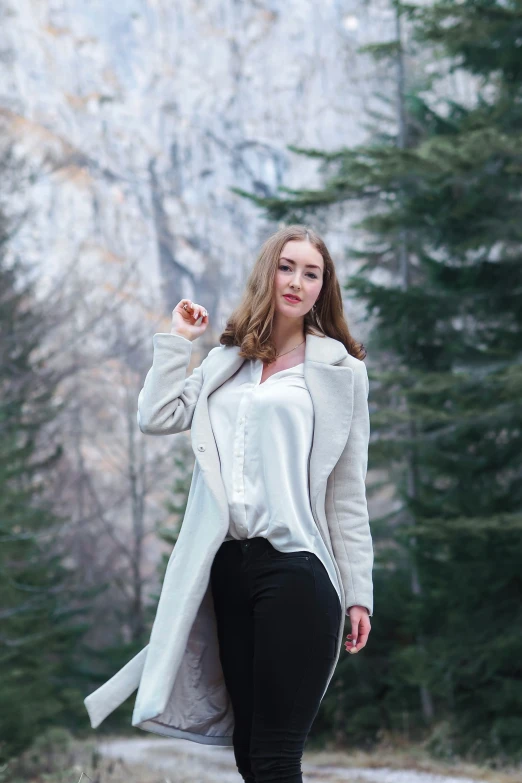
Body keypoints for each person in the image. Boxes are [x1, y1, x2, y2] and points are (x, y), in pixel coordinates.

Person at [168, 224, 373, 782]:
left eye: (312, 273)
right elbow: (156, 416)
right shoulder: (228, 360)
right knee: (248, 752)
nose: (297, 281)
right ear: (268, 272)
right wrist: (177, 342)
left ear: (322, 288)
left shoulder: (340, 372)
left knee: (278, 754)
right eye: (287, 267)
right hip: (229, 569)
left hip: (298, 566)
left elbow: (346, 495)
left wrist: (360, 595)